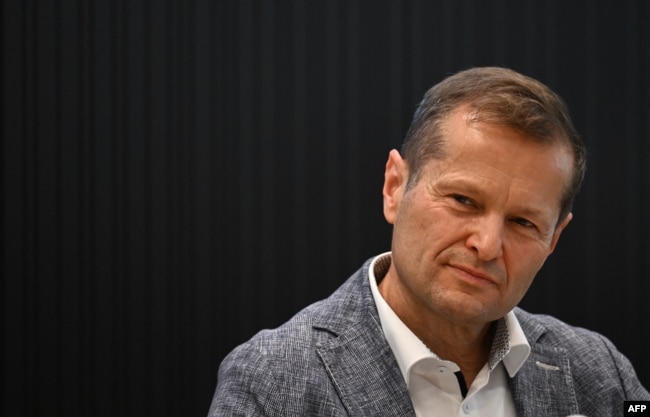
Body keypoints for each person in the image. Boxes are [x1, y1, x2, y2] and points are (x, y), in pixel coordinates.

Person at [209, 67, 649, 416]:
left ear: (554, 239)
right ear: (394, 188)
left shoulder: (601, 374)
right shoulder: (273, 381)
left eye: (522, 223)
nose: (488, 244)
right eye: (463, 200)